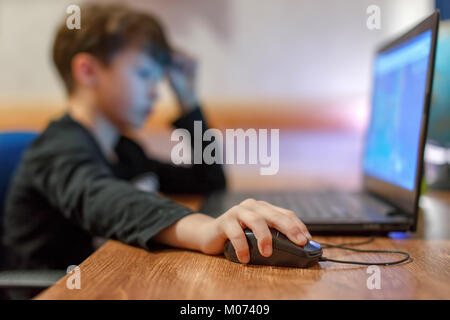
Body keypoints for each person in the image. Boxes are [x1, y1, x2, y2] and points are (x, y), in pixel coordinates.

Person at [2, 3, 311, 285]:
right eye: (145, 74)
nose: (155, 92)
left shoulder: (124, 150)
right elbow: (106, 197)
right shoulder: (56, 149)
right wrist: (204, 230)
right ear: (87, 70)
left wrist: (188, 102)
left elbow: (209, 180)